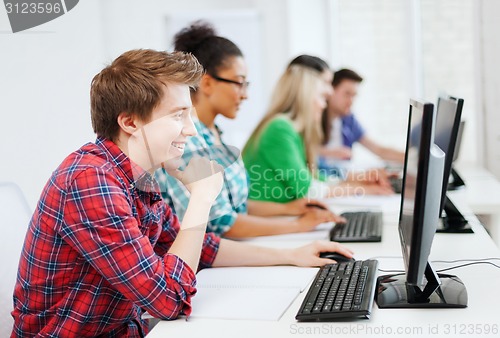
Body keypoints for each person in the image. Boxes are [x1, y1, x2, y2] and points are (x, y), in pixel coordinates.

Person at [10, 49, 354, 337]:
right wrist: (201, 198)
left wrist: (292, 255)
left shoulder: (139, 174)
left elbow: (200, 248)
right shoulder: (91, 182)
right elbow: (167, 300)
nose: (190, 130)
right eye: (178, 116)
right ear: (130, 122)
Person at [156, 22, 343, 239]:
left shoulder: (215, 134)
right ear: (207, 84)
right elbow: (223, 224)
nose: (245, 95)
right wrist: (298, 225)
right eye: (239, 83)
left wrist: (290, 209)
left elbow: (238, 205)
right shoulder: (188, 142)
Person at [243, 61, 393, 204]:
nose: (323, 105)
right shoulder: (280, 128)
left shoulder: (290, 129)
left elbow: (313, 178)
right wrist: (362, 189)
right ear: (306, 97)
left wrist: (356, 181)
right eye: (322, 97)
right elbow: (308, 190)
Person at [320, 68, 405, 165]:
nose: (351, 101)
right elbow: (302, 151)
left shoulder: (349, 120)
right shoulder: (314, 116)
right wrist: (328, 153)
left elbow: (378, 150)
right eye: (347, 94)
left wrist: (411, 158)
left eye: (354, 95)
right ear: (331, 90)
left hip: (340, 175)